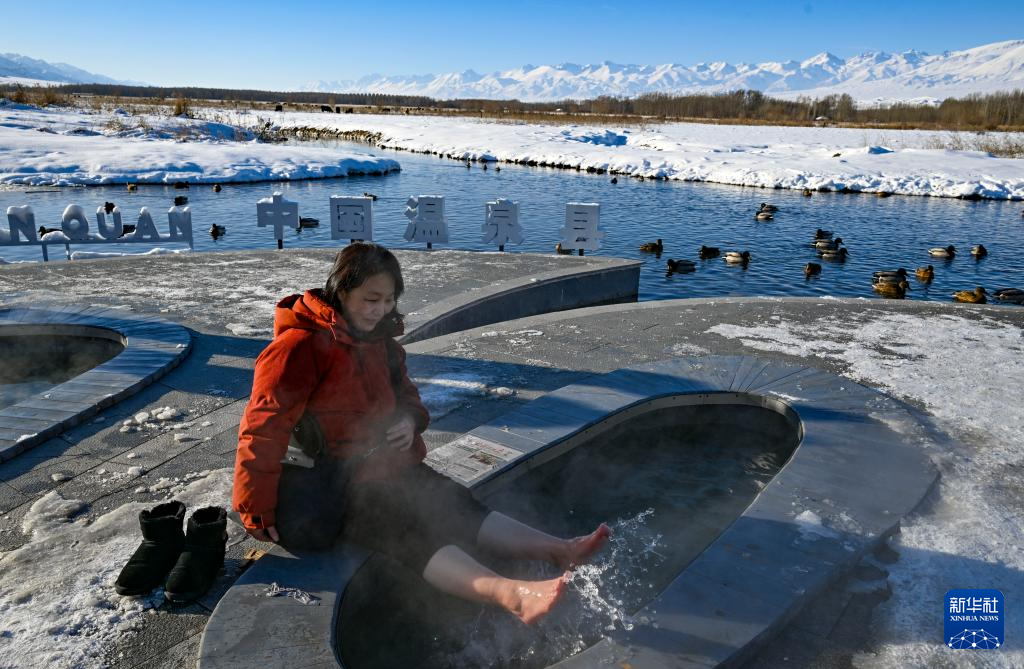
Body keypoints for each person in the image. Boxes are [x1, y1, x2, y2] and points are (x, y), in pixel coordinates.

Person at [233, 243, 610, 624]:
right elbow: (263, 428)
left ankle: (559, 549)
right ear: (341, 290)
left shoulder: (382, 346)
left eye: (388, 300)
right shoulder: (299, 347)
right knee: (400, 525)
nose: (379, 310)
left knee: (450, 500)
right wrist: (254, 510)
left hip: (372, 468)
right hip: (314, 493)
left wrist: (409, 421)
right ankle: (512, 595)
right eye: (370, 299)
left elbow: (409, 400)